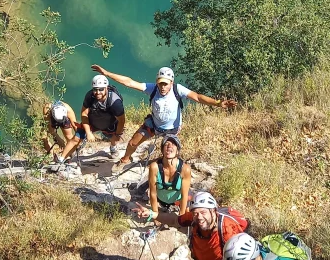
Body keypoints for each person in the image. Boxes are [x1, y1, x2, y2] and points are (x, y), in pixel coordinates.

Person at [90, 63, 235, 167]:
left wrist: (217, 103)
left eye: (166, 84)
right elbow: (129, 82)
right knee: (133, 143)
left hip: (171, 129)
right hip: (154, 123)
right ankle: (125, 160)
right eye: (160, 83)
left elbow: (197, 97)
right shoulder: (152, 89)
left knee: (169, 156)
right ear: (157, 82)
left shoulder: (178, 90)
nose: (163, 87)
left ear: (172, 82)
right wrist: (107, 74)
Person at [59, 74, 126, 161]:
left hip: (110, 124)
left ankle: (113, 147)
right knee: (76, 138)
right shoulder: (90, 96)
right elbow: (84, 113)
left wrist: (117, 135)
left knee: (113, 139)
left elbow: (121, 121)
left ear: (107, 88)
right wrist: (88, 132)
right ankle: (61, 159)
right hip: (92, 122)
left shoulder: (115, 102)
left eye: (101, 89)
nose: (98, 92)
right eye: (95, 89)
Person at [134, 134, 192, 224]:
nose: (169, 146)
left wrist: (181, 215)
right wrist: (155, 214)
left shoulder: (185, 169)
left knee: (189, 215)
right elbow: (153, 193)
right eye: (166, 144)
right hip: (161, 200)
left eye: (173, 144)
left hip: (177, 200)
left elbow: (184, 195)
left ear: (177, 151)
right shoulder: (154, 167)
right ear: (162, 150)